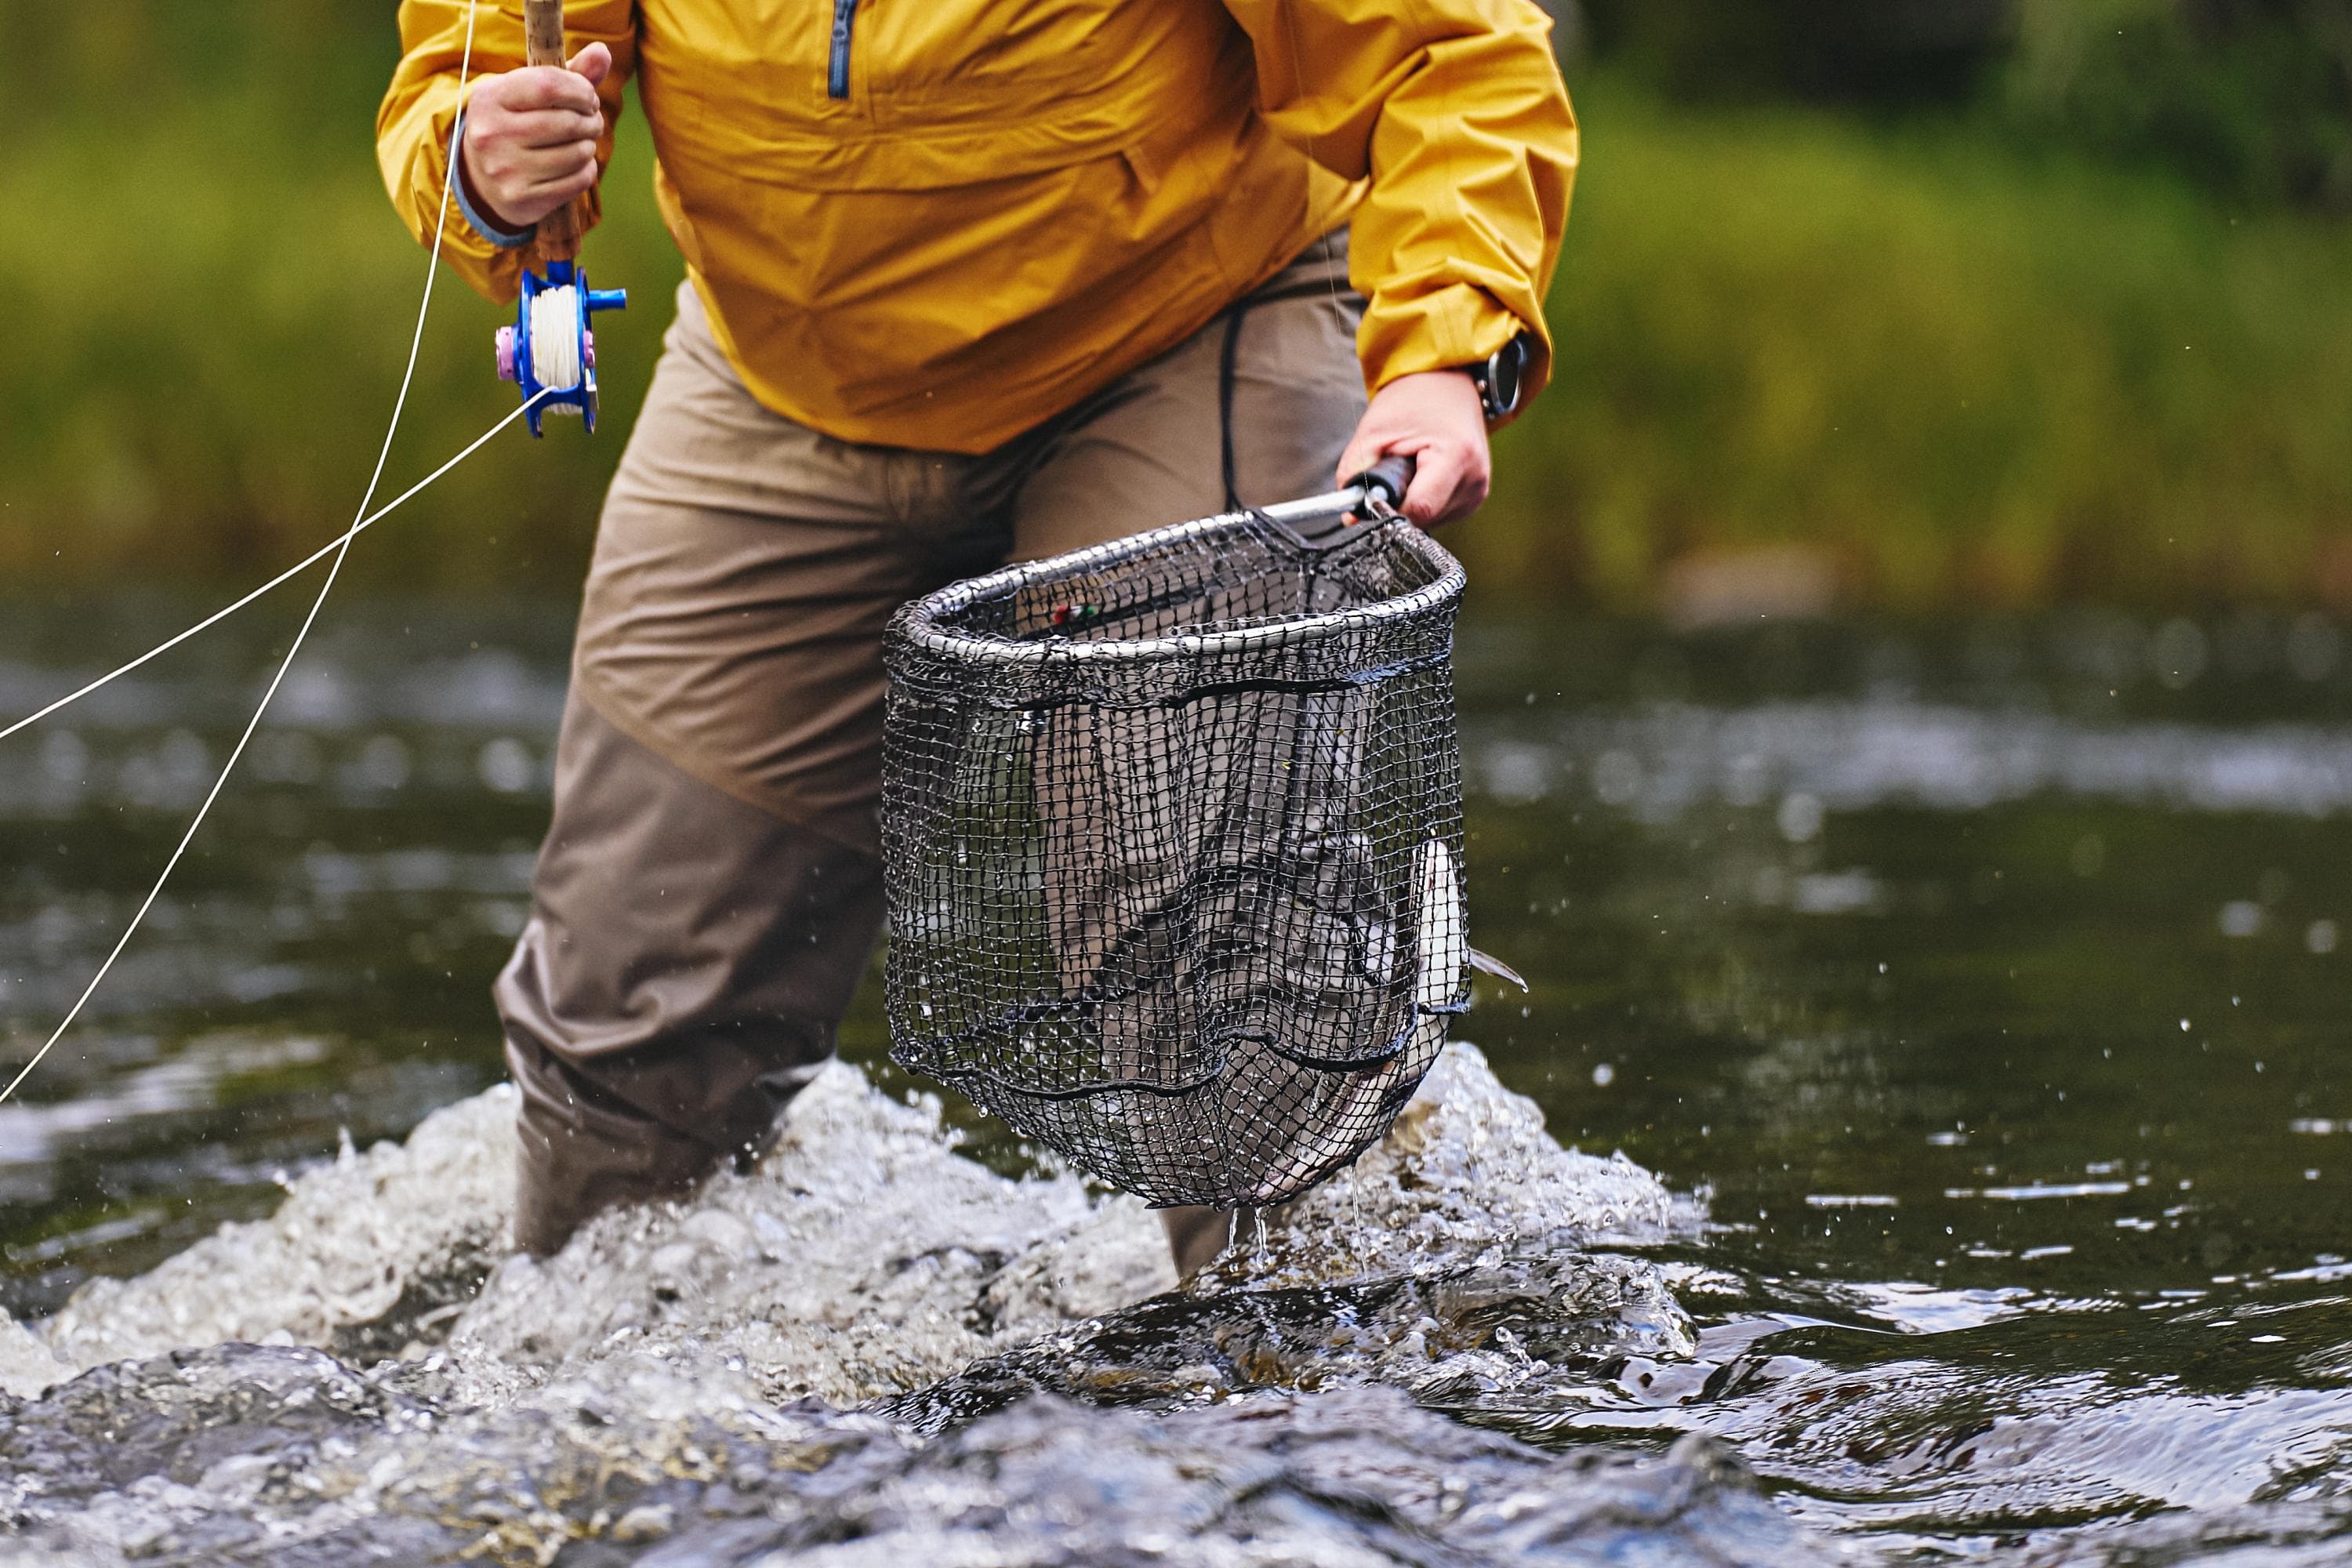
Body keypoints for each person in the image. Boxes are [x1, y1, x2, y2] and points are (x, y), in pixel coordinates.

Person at [377, 0, 1577, 1275]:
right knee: (626, 1052)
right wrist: (479, 171)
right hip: (779, 365)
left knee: (1226, 987)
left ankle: (1300, 1419)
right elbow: (472, 63)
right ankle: (613, 1431)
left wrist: (1445, 347)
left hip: (1187, 319)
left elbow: (1454, 49)